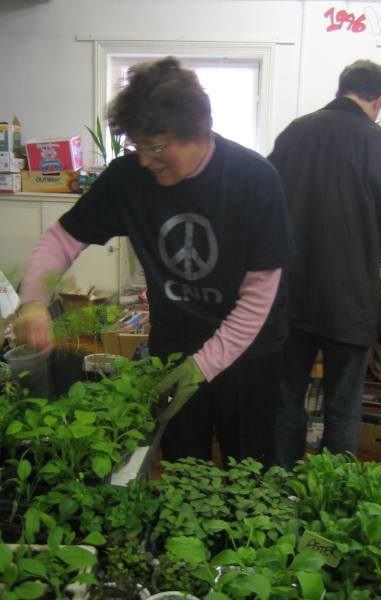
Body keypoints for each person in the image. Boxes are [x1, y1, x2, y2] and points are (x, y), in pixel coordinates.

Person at [14, 57, 295, 467]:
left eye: (158, 146)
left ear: (199, 131)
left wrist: (201, 367)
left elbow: (257, 301)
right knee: (182, 462)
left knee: (248, 466)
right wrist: (34, 300)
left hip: (251, 351)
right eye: (138, 145)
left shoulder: (255, 180)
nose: (146, 159)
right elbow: (62, 238)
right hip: (174, 343)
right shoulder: (128, 178)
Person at [268, 59, 381, 470]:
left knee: (286, 396)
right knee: (343, 405)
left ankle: (280, 489)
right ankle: (331, 500)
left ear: (340, 88)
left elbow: (267, 205)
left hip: (291, 292)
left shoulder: (295, 133)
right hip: (349, 299)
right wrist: (364, 253)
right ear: (379, 100)